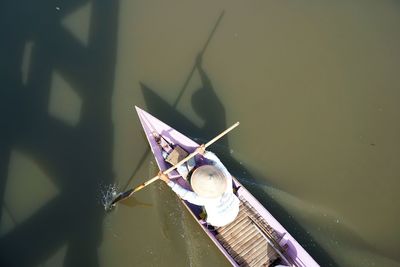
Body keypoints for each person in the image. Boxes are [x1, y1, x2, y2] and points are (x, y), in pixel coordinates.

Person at [158, 144, 240, 227]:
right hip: (234, 209)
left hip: (217, 220)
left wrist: (167, 181)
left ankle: (165, 154)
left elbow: (184, 194)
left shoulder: (204, 199)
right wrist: (204, 153)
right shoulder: (227, 179)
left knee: (183, 170)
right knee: (187, 168)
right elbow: (217, 161)